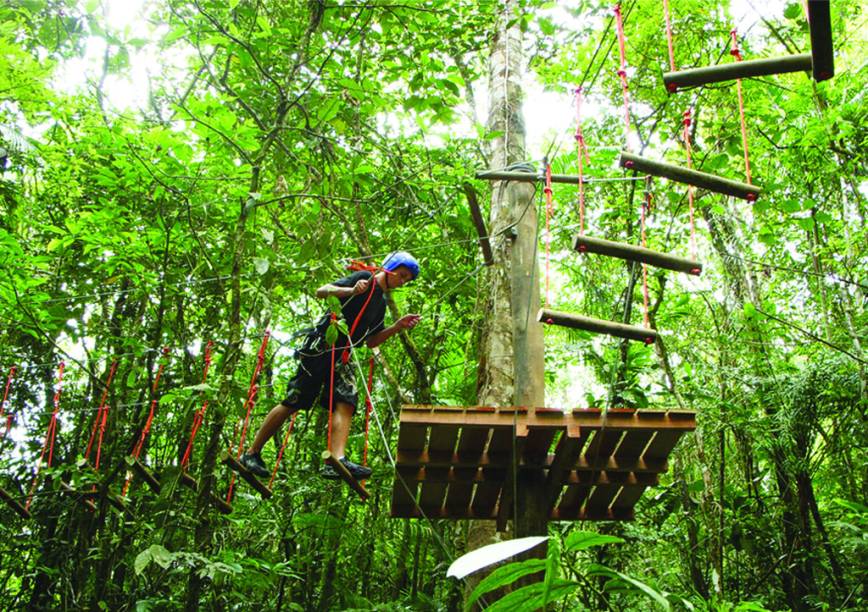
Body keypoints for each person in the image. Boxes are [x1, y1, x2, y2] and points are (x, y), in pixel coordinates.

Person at [240, 251, 421, 481]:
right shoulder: (363, 278)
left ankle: (336, 459)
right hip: (323, 347)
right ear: (390, 267)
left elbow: (371, 341)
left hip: (342, 355)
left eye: (406, 279)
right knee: (294, 401)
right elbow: (322, 290)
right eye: (401, 274)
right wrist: (351, 290)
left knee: (347, 401)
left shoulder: (380, 305)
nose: (402, 281)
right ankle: (252, 453)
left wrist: (397, 326)